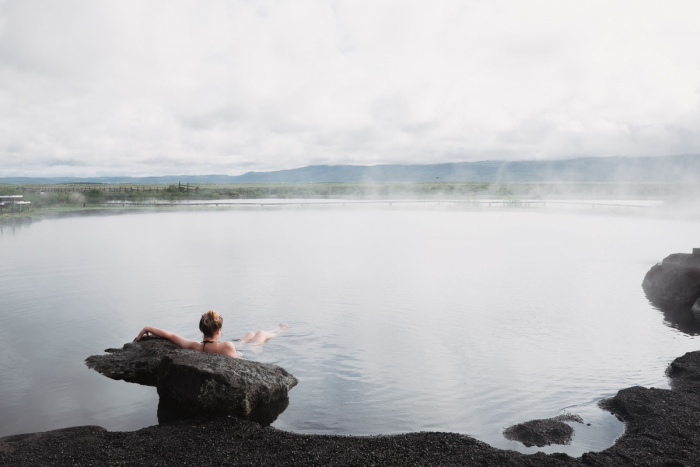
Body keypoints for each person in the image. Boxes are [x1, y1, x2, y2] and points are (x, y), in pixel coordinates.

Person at [135, 310, 289, 359]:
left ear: (202, 329)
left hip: (233, 349)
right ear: (218, 331)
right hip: (248, 353)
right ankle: (279, 330)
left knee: (250, 333)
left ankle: (276, 329)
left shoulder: (195, 346)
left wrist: (149, 327)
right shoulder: (227, 345)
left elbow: (171, 336)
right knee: (260, 333)